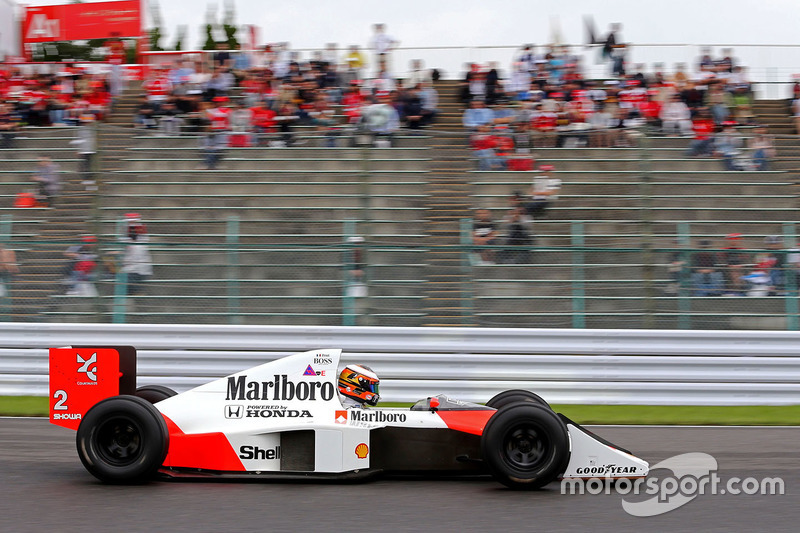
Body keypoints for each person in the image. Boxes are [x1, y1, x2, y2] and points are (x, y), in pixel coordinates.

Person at [120, 214, 153, 296]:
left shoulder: (141, 235)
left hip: (138, 269)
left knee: (134, 291)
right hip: (130, 268)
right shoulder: (125, 235)